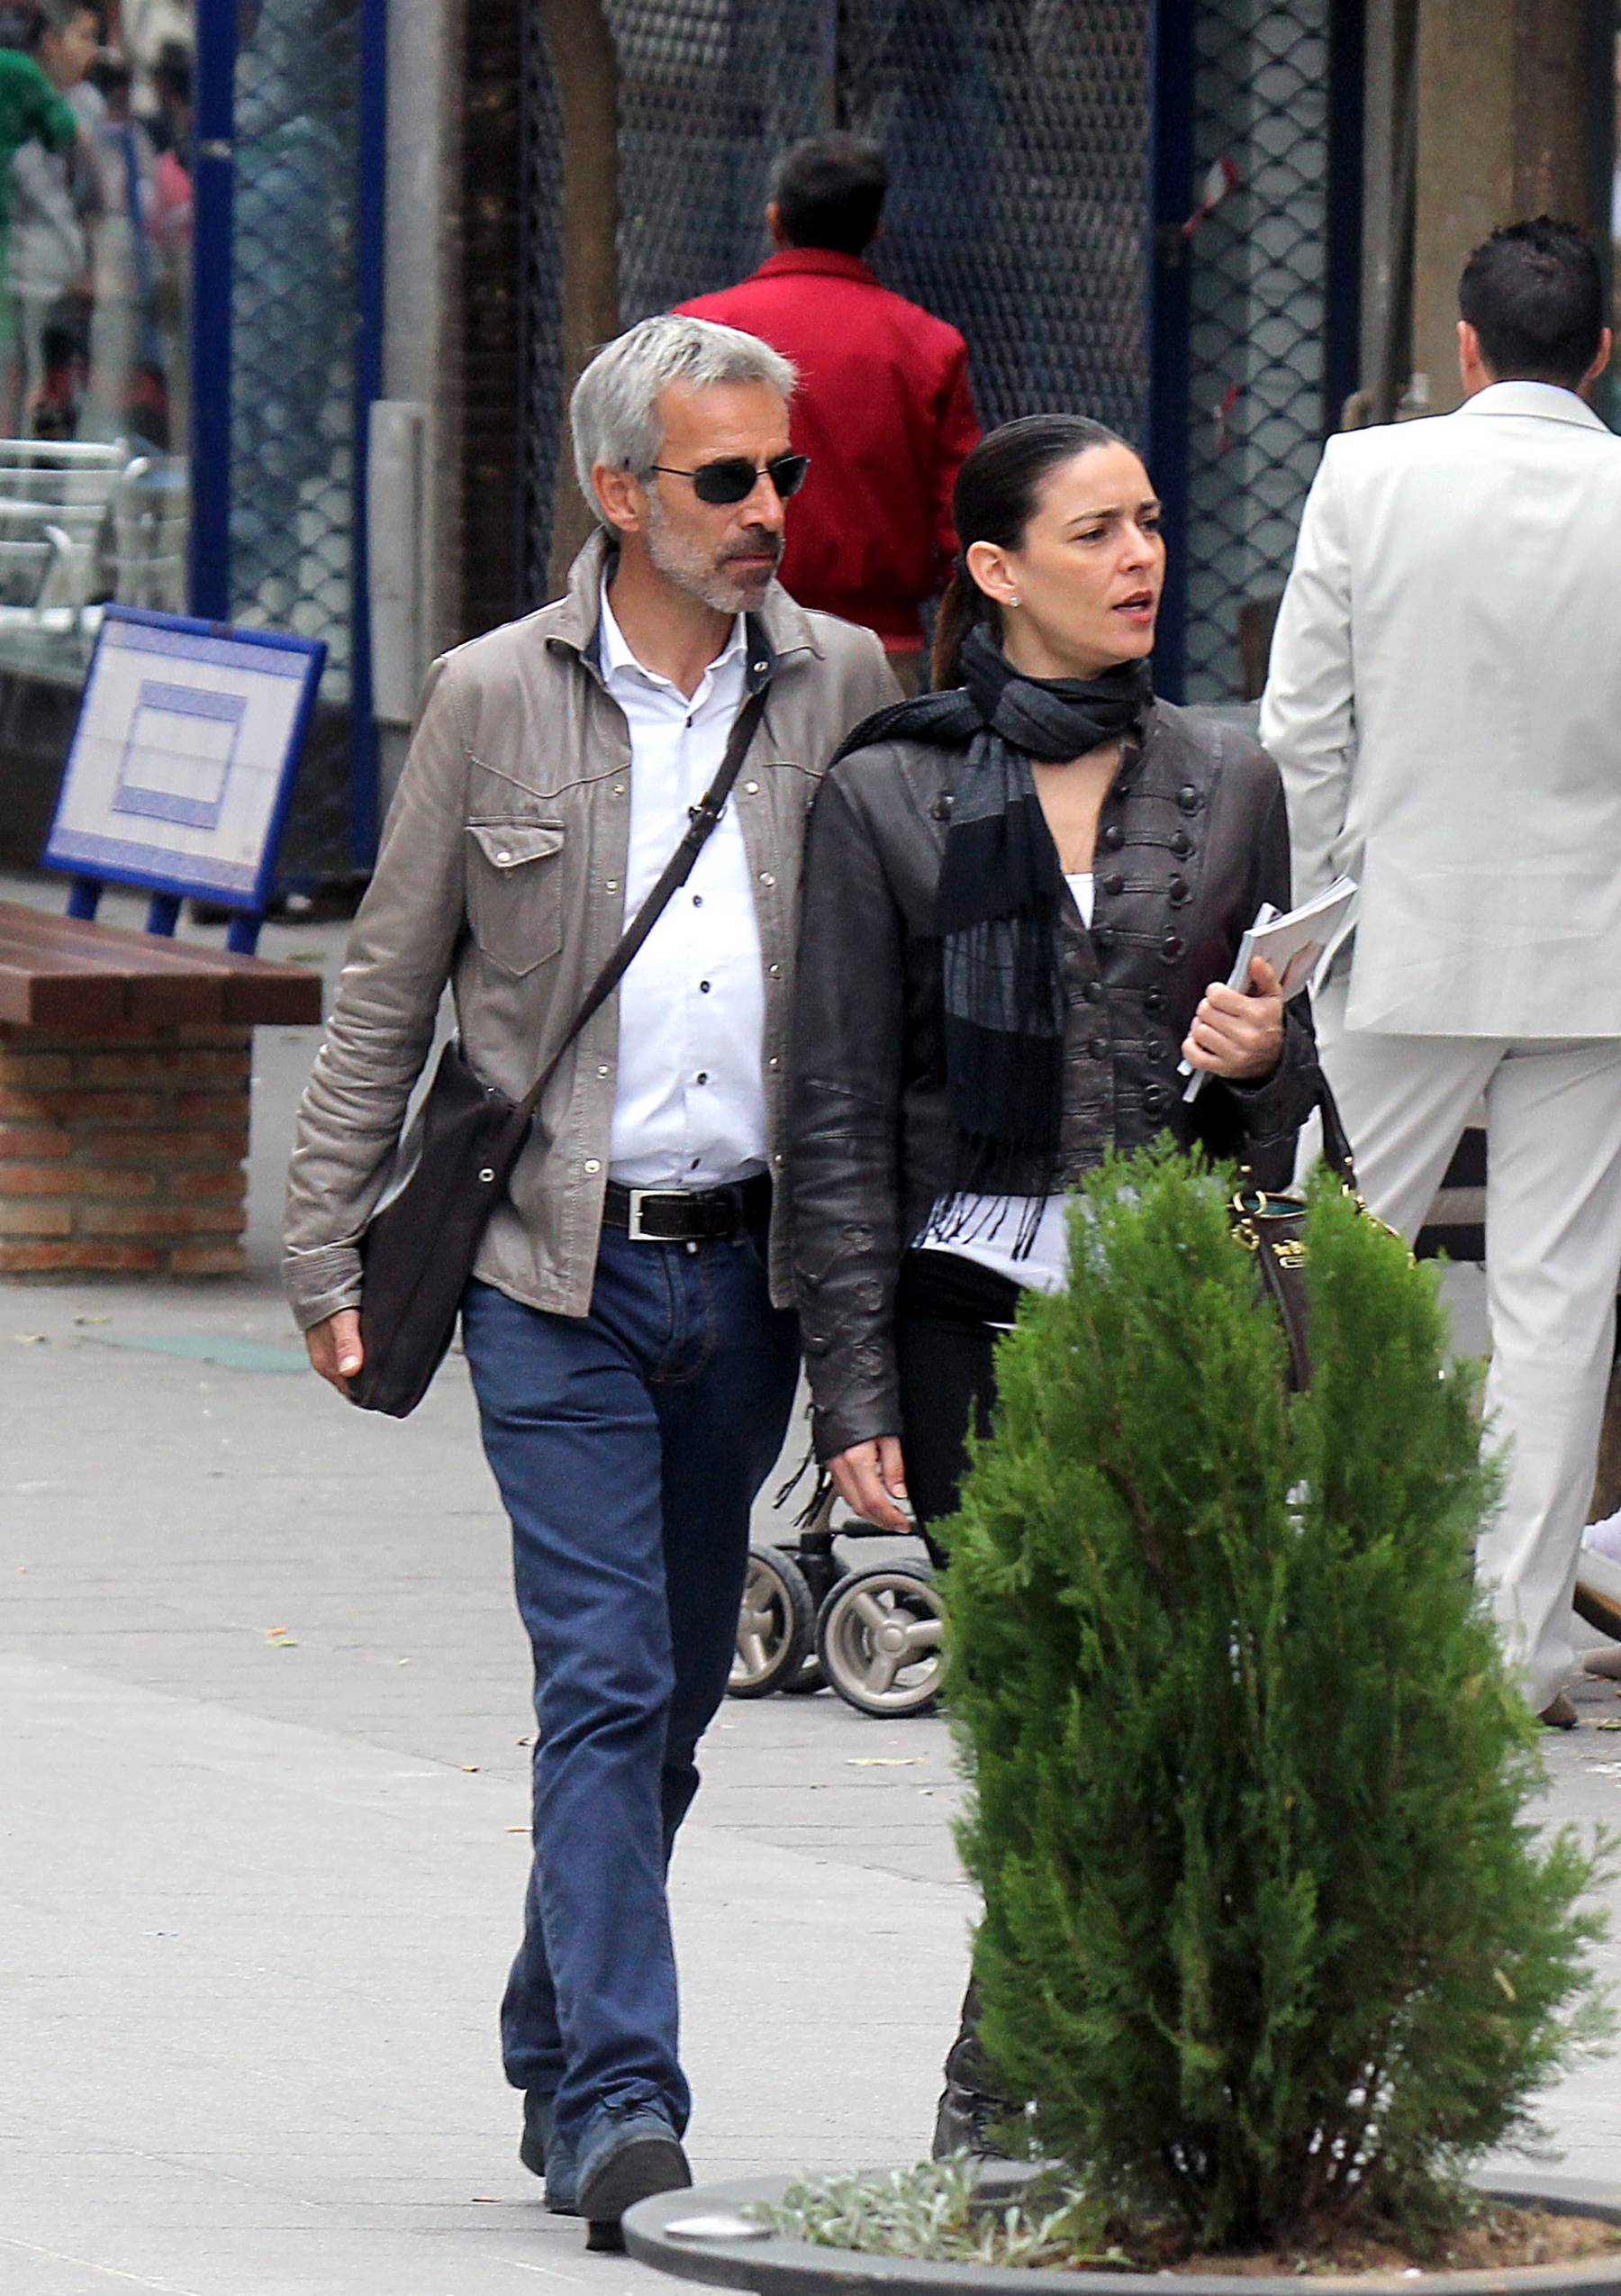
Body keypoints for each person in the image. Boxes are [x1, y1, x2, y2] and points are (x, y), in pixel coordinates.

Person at [285, 314, 896, 2247]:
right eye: (726, 479)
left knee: (674, 1703)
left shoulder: (849, 682)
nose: (767, 513)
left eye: (783, 475)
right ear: (617, 491)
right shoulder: (491, 696)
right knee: (612, 1672)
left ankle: (554, 2014)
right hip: (554, 1273)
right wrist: (320, 1243)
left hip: (756, 1276)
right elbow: (388, 982)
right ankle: (624, 2097)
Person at [788, 413, 1322, 2154]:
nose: (1140, 557)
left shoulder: (1227, 777)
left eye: (1152, 523)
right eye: (1095, 531)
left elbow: (1269, 1100)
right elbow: (843, 1101)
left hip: (1175, 1305)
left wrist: (1257, 1050)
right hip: (970, 1316)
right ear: (998, 570)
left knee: (1153, 1698)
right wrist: (850, 1380)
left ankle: (1047, 2091)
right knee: (1045, 1698)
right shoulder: (884, 789)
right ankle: (1000, 2094)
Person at [1261, 217, 1621, 1733]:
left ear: (1465, 346)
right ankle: (1512, 1638)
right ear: (1599, 351)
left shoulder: (1369, 475)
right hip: (1598, 952)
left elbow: (1297, 726)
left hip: (1395, 934)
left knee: (1301, 1253)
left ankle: (1268, 1592)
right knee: (1557, 1300)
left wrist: (1314, 910)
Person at [676, 131, 979, 688]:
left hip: (720, 633)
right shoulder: (929, 345)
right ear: (873, 232)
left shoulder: (697, 334)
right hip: (879, 644)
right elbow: (958, 513)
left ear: (775, 221)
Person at [7, 0, 102, 437]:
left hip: (54, 265)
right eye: (83, 36)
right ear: (50, 41)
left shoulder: (87, 104)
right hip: (30, 260)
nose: (93, 50)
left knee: (48, 377)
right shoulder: (23, 86)